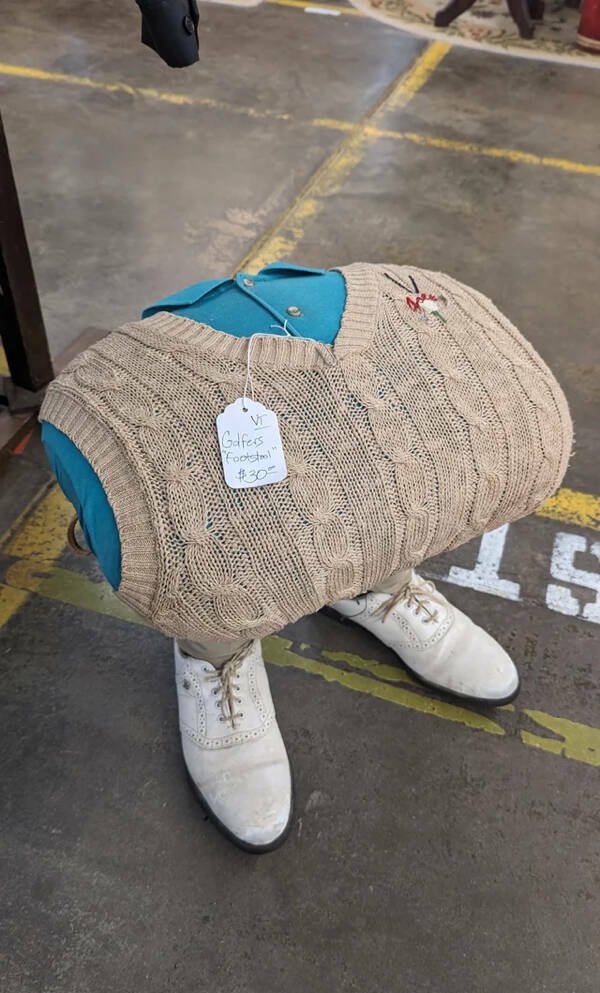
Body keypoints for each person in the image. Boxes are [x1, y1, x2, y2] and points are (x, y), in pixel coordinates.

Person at [41, 262, 569, 852]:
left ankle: (375, 582)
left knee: (379, 469)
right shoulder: (100, 396)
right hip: (150, 415)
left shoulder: (410, 293)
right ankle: (216, 652)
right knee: (206, 539)